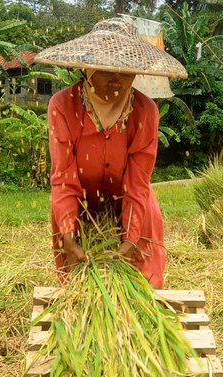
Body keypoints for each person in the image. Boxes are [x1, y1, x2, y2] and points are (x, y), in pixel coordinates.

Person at [35, 18, 187, 289]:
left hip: (133, 205)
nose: (117, 80)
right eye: (107, 70)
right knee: (80, 288)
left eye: (126, 72)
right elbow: (64, 177)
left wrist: (130, 238)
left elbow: (138, 181)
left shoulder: (145, 112)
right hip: (79, 205)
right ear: (87, 67)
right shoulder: (63, 106)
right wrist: (68, 234)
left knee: (142, 285)